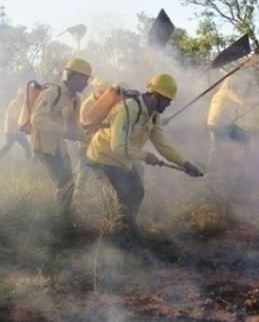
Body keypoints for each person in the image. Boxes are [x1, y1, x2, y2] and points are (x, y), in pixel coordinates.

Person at [87, 73, 203, 244]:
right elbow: (118, 146)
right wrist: (145, 156)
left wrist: (185, 164)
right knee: (124, 197)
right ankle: (118, 239)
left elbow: (163, 145)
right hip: (102, 158)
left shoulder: (153, 116)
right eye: (167, 99)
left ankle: (122, 230)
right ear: (156, 95)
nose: (169, 104)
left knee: (137, 191)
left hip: (121, 161)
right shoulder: (128, 109)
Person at [30, 58, 91, 227]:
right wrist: (61, 130)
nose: (87, 84)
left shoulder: (76, 100)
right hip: (43, 146)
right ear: (76, 77)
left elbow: (74, 127)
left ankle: (62, 219)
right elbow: (37, 118)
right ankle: (57, 222)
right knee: (64, 183)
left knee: (68, 183)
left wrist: (91, 141)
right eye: (85, 79)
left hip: (59, 147)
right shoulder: (53, 93)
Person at [206, 75, 246, 168]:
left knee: (215, 148)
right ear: (230, 84)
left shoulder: (218, 94)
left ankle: (210, 169)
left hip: (211, 124)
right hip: (221, 125)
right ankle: (243, 165)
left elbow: (221, 111)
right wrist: (254, 102)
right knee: (244, 138)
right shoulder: (226, 92)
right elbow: (242, 103)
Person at [0, 88, 32, 160]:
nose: (25, 97)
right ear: (20, 95)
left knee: (25, 147)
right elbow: (17, 117)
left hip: (16, 130)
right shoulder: (15, 103)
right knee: (10, 146)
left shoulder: (21, 103)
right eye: (23, 95)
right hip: (12, 130)